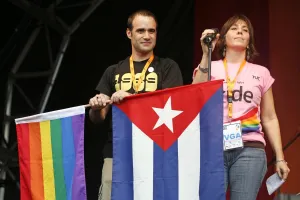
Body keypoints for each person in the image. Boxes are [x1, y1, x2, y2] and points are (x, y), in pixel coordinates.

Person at [192, 14, 290, 200]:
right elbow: (194, 98)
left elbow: (269, 117)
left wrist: (280, 158)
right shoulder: (208, 67)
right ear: (222, 37)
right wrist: (206, 53)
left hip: (250, 149)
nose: (240, 31)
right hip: (212, 148)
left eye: (245, 30)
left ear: (249, 40)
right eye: (234, 28)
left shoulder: (261, 73)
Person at [88, 10, 183, 200]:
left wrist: (131, 96)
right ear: (129, 33)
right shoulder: (113, 71)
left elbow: (172, 106)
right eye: (141, 31)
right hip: (117, 152)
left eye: (152, 31)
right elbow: (98, 118)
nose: (147, 36)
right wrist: (97, 107)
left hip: (156, 152)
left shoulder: (168, 67)